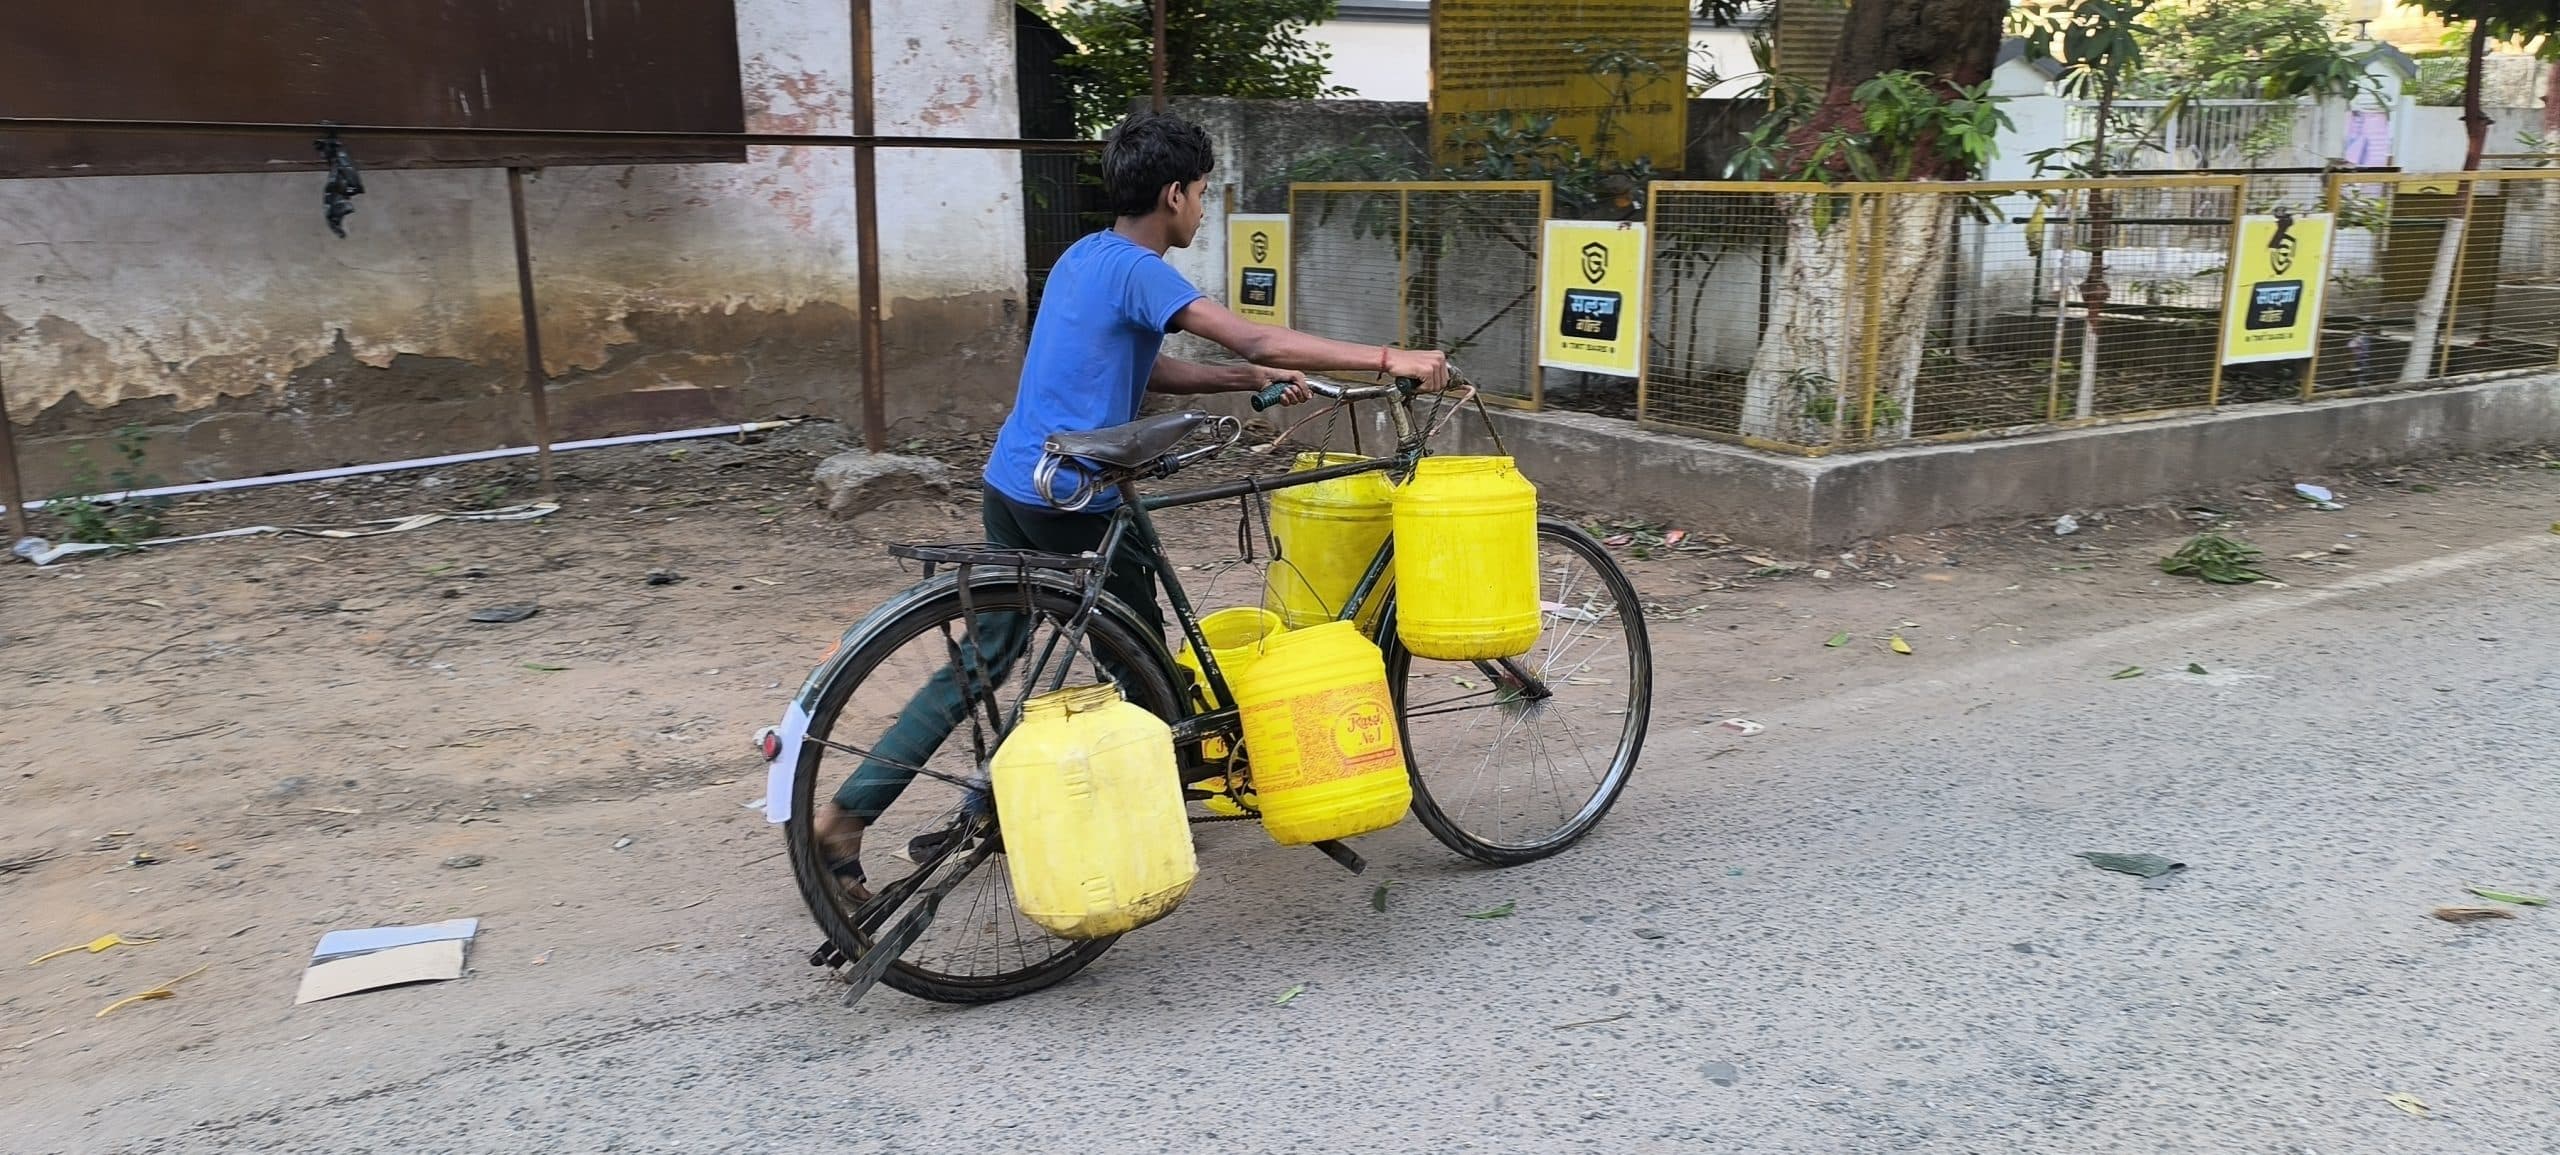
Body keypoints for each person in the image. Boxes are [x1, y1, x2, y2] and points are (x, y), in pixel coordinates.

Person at [812, 112, 1449, 896]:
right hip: (1076, 497)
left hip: (1015, 482)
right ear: (1174, 193)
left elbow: (1143, 372)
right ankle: (1036, 801)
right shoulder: (1145, 270)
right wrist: (1393, 357)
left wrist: (1241, 383)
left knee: (992, 652)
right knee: (1142, 665)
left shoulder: (1085, 257)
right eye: (1202, 195)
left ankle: (846, 816)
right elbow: (1254, 339)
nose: (1202, 209)